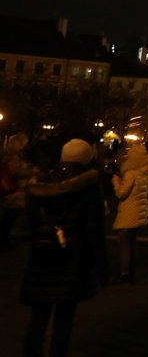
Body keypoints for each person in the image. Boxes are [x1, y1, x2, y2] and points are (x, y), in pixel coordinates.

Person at [20, 138, 107, 357]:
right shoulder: (88, 187)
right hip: (72, 259)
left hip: (41, 257)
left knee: (38, 315)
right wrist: (100, 265)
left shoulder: (39, 183)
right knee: (64, 316)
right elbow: (93, 230)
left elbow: (30, 222)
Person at [111, 143, 148, 284]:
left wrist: (116, 181)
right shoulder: (146, 173)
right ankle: (130, 272)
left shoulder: (131, 174)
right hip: (139, 213)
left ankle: (124, 274)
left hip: (128, 213)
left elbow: (121, 193)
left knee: (123, 244)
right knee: (131, 243)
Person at [1, 133, 31, 249]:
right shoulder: (14, 157)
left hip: (12, 190)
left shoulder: (13, 156)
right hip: (12, 191)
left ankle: (4, 239)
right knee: (10, 215)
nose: (26, 145)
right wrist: (30, 171)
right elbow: (14, 173)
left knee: (9, 216)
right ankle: (4, 240)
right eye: (24, 142)